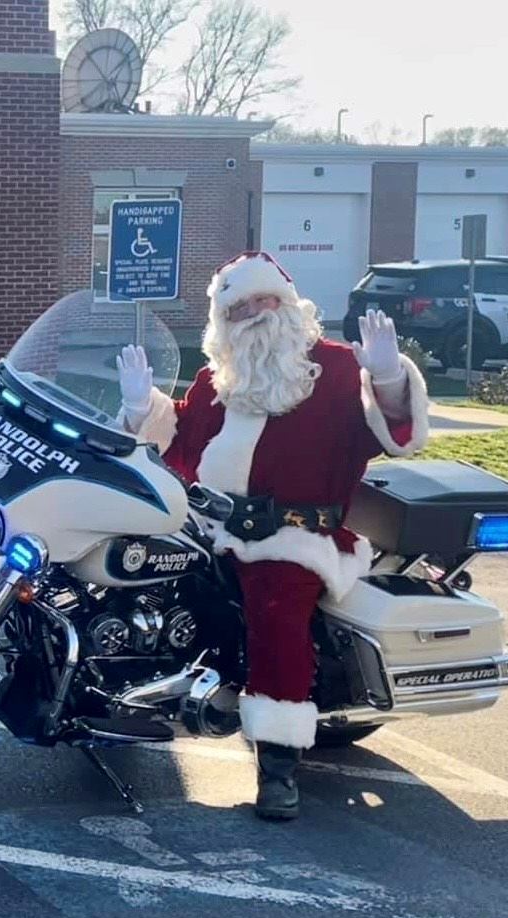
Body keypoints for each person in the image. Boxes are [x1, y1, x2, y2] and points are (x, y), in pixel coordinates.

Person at [116, 251, 429, 821]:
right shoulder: (220, 377)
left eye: (265, 300)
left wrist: (387, 378)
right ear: (224, 319)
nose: (256, 313)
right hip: (211, 522)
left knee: (276, 608)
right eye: (240, 306)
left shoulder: (334, 370)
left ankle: (279, 765)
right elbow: (183, 440)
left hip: (294, 535)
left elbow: (392, 433)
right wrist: (142, 406)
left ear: (288, 305)